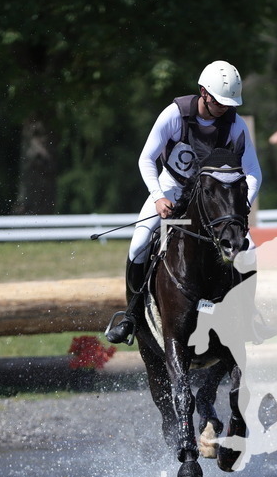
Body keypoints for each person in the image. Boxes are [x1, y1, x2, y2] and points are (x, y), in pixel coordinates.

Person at [105, 60, 262, 345]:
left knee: (249, 251)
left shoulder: (235, 124)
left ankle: (248, 315)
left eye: (229, 103)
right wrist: (158, 197)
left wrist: (243, 206)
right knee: (139, 244)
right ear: (203, 93)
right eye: (219, 101)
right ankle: (132, 316)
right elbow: (146, 159)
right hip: (172, 188)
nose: (224, 108)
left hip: (212, 201)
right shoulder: (175, 115)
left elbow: (253, 171)